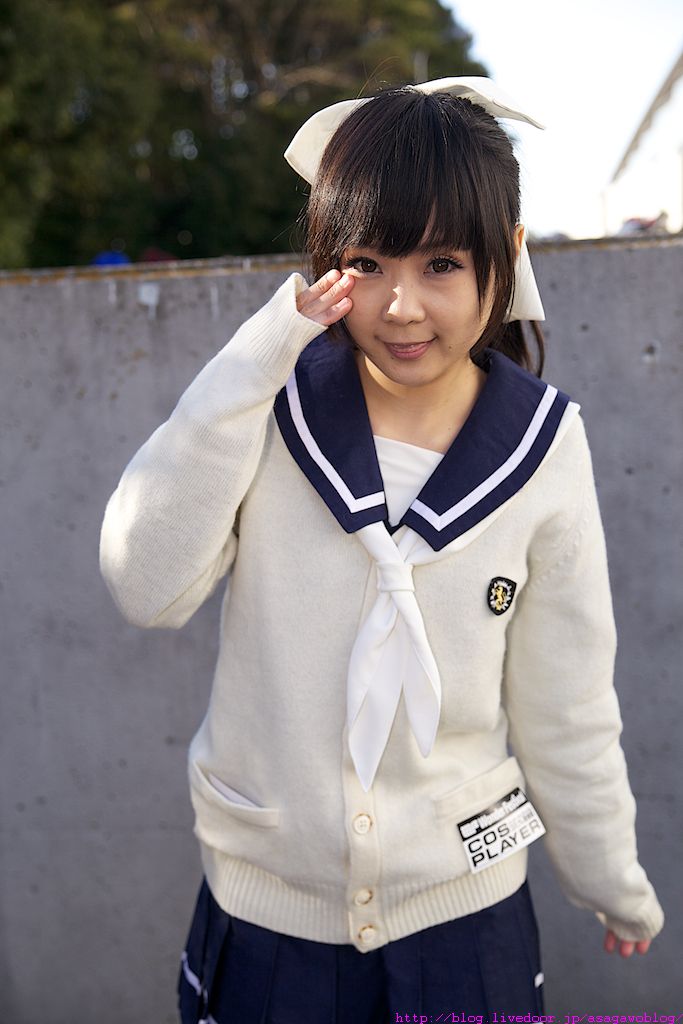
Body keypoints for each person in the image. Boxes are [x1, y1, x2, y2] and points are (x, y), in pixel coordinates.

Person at [99, 77, 664, 1023]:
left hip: (468, 919)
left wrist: (608, 874)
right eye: (367, 262)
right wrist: (256, 358)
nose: (401, 306)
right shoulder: (268, 409)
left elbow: (566, 701)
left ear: (506, 254)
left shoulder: (543, 445)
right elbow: (143, 586)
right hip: (266, 922)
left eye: (442, 263)